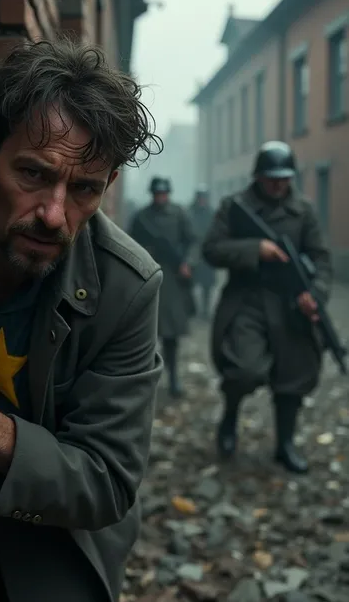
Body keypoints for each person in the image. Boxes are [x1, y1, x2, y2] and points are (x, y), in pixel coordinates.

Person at [0, 39, 164, 602]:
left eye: (84, 188)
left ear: (107, 185)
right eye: (34, 174)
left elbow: (109, 480)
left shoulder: (127, 286)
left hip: (46, 544)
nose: (54, 214)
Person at [202, 141, 331, 473]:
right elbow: (212, 249)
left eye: (284, 177)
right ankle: (230, 416)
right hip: (247, 300)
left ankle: (284, 444)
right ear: (258, 176)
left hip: (290, 305)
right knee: (243, 370)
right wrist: (254, 248)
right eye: (271, 177)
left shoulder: (303, 210)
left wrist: (314, 294)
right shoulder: (235, 207)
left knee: (294, 377)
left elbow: (321, 258)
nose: (278, 184)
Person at [130, 177, 196, 399]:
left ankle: (174, 380)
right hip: (148, 276)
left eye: (164, 194)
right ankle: (143, 382)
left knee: (172, 335)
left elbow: (192, 241)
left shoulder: (179, 214)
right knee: (146, 334)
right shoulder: (142, 218)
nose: (161, 197)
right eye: (157, 194)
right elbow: (129, 244)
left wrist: (187, 262)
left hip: (174, 279)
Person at [189, 185, 216, 319]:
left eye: (204, 198)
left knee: (207, 286)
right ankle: (192, 310)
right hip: (194, 254)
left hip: (208, 253)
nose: (202, 201)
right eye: (200, 198)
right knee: (190, 283)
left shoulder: (211, 213)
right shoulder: (190, 212)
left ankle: (205, 311)